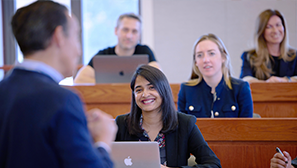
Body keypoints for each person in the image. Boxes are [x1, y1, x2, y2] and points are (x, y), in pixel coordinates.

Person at [0, 1, 117, 168]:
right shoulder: (62, 101)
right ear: (59, 36)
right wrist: (103, 142)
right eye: (76, 36)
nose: (79, 51)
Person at [115, 64, 221, 168]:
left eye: (152, 87)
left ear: (163, 90)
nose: (145, 94)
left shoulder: (185, 123)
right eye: (139, 90)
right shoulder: (122, 124)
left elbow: (213, 164)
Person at [178, 34, 253, 118]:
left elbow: (247, 128)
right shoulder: (186, 90)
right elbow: (182, 129)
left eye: (211, 53)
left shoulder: (240, 88)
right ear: (196, 62)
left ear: (223, 57)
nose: (206, 60)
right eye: (199, 55)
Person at [74, 13, 161, 84]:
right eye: (125, 30)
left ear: (139, 35)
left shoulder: (145, 52)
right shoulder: (103, 55)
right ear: (116, 31)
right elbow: (79, 81)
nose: (129, 36)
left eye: (134, 31)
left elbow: (159, 79)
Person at [240, 9, 297, 83]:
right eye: (269, 27)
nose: (275, 30)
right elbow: (245, 80)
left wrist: (284, 80)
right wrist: (267, 85)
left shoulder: (294, 55)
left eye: (278, 25)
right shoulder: (250, 56)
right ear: (261, 31)